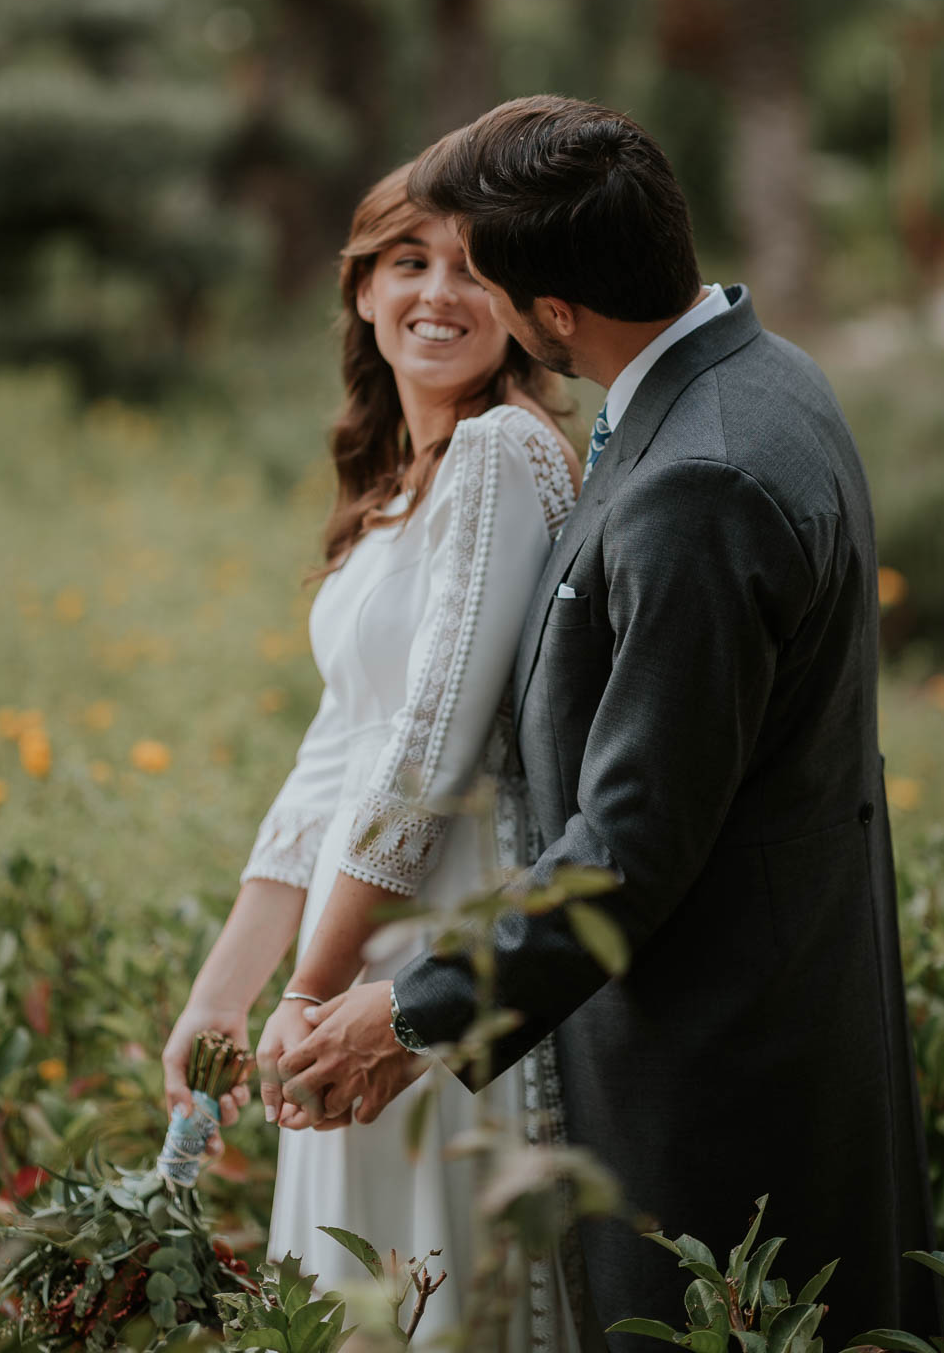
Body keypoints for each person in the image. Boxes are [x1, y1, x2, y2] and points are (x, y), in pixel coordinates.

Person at [277, 97, 939, 1353]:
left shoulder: (701, 483)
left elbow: (633, 841)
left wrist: (413, 1008)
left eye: (485, 273)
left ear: (555, 312)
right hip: (782, 1007)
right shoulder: (760, 370)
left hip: (713, 1071)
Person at [162, 162, 583, 1346]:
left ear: (520, 301)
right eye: (410, 261)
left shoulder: (506, 452)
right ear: (361, 291)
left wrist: (309, 991)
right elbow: (334, 755)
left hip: (438, 957)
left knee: (435, 1298)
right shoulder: (397, 491)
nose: (439, 292)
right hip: (357, 940)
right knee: (354, 1301)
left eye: (473, 265)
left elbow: (429, 753)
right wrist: (222, 993)